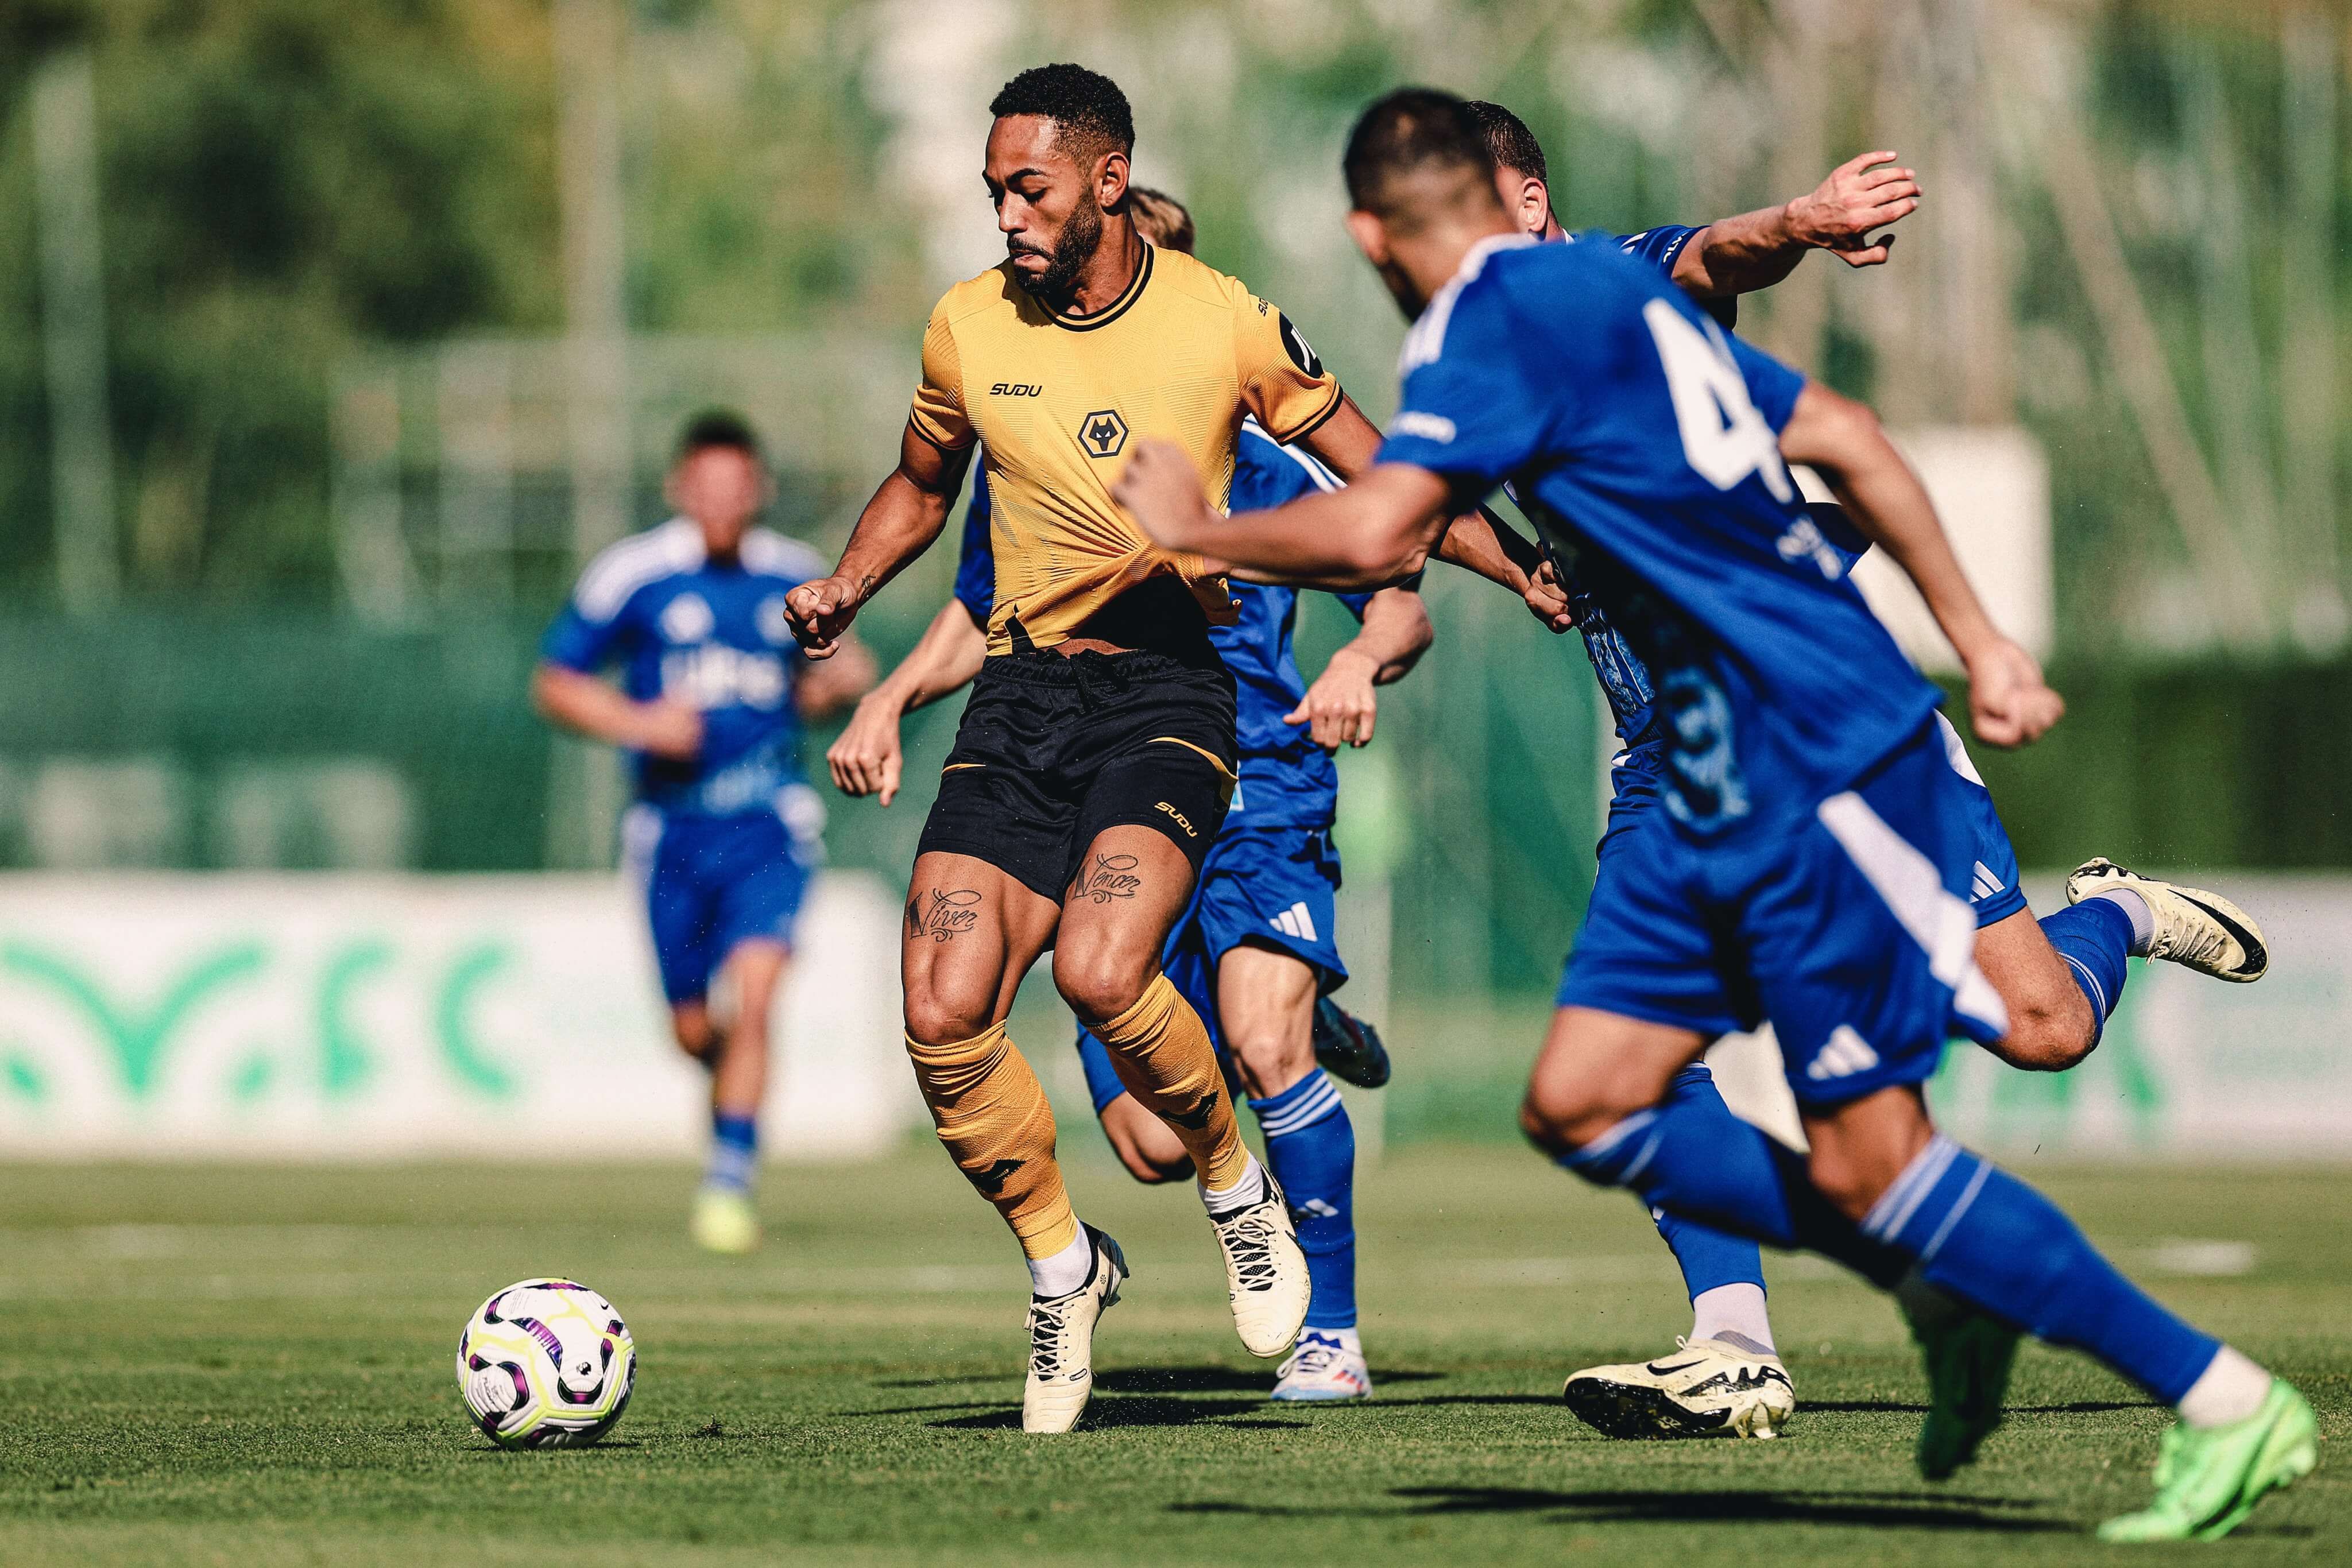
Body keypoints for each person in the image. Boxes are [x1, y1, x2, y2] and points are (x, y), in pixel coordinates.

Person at [1112, 88, 2312, 1542]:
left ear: (1371, 233)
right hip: (1692, 765)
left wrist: (1195, 528)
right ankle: (1779, 1325)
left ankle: (2200, 1374)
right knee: (1583, 1095)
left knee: (1987, 1068)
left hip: (1817, 748)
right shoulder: (1596, 306)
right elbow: (1846, 432)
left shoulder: (1510, 319)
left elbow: (1379, 525)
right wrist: (1977, 634)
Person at [1466, 100, 2272, 1442]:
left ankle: (2113, 914)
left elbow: (1714, 261)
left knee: (2043, 1030)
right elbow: (1400, 497)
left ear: (1536, 208)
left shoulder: (1612, 296)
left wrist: (1799, 219)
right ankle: (1732, 1343)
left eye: (1464, 211)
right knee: (1621, 1052)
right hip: (1671, 763)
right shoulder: (1478, 359)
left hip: (1835, 726)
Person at [785, 64, 1556, 1435]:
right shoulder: (967, 328)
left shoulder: (1228, 327)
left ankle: (1244, 1199)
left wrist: (1521, 574)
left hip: (1177, 699)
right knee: (941, 1005)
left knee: (1101, 969)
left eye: (1026, 188)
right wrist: (851, 596)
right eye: (991, 192)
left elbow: (1393, 491)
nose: (1005, 214)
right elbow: (921, 490)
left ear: (1103, 175)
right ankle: (1061, 1267)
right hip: (1022, 705)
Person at [533, 411, 876, 1254]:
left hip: (769, 823)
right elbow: (556, 681)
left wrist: (825, 691)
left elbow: (853, 666)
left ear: (758, 490)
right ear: (680, 488)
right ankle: (730, 1097)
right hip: (668, 832)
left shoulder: (793, 575)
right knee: (696, 1030)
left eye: (739, 485)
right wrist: (640, 723)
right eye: (708, 486)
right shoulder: (633, 576)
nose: (724, 501)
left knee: (756, 998)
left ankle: (729, 1180)